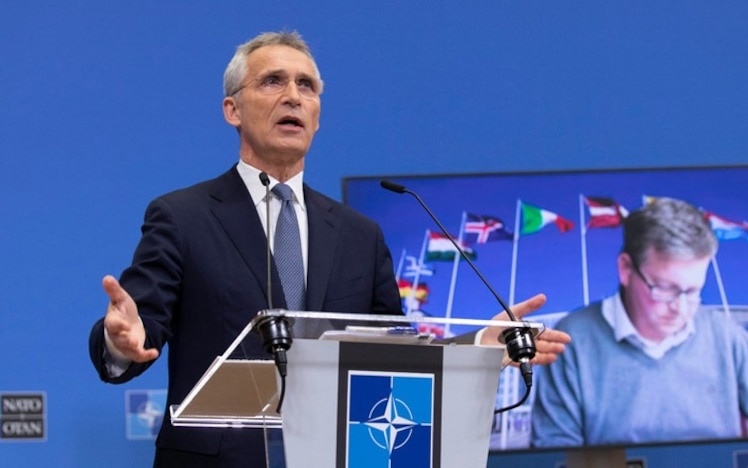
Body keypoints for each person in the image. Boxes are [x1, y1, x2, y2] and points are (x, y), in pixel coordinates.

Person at [88, 31, 570, 467]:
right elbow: (138, 330)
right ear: (232, 109)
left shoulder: (360, 235)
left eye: (307, 86)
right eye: (272, 81)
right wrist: (120, 341)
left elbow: (396, 362)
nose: (293, 96)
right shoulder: (183, 216)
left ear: (318, 115)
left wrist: (479, 347)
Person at [531, 197, 748, 447]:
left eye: (693, 291)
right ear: (626, 269)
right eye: (665, 288)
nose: (681, 308)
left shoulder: (724, 333)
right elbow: (553, 450)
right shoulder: (571, 339)